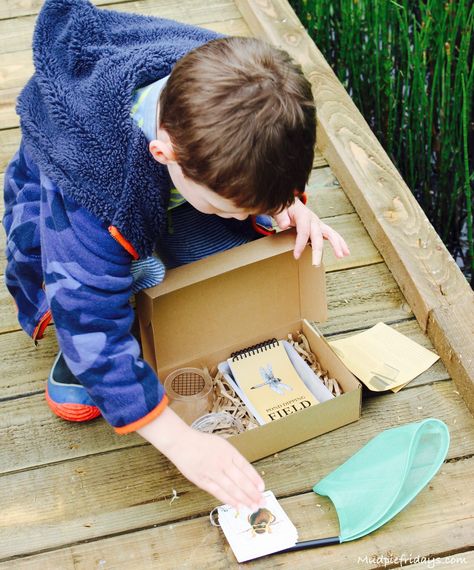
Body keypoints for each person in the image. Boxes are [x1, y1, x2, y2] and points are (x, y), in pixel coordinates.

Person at [2, 0, 350, 512]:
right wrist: (181, 442)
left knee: (223, 262)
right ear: (165, 156)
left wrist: (288, 208)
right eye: (233, 205)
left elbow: (268, 163)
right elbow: (88, 315)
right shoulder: (94, 192)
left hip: (161, 187)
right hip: (75, 212)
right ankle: (93, 343)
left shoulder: (234, 91)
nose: (247, 212)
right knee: (95, 312)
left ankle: (166, 247)